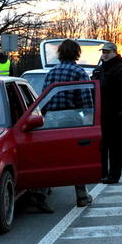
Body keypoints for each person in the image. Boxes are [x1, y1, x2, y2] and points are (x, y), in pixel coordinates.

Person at [27, 39, 94, 213]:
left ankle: (39, 194)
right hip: (71, 119)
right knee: (76, 159)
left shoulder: (52, 72)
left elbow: (44, 99)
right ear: (77, 53)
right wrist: (89, 120)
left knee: (49, 159)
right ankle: (81, 196)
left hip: (50, 120)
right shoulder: (80, 73)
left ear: (60, 53)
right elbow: (86, 101)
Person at [92, 42, 122, 184]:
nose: (104, 54)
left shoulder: (121, 69)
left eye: (107, 52)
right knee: (101, 145)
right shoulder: (99, 70)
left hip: (115, 114)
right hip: (100, 114)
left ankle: (114, 175)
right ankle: (101, 173)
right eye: (103, 52)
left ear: (115, 52)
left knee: (114, 146)